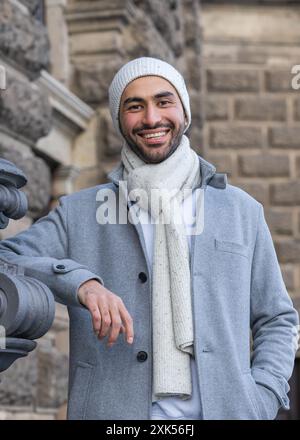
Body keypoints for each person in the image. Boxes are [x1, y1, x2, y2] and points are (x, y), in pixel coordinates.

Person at [0, 57, 298, 420]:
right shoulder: (80, 211)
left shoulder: (240, 211)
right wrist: (82, 284)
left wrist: (264, 394)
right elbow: (8, 259)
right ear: (119, 120)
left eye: (163, 101)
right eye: (134, 106)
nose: (152, 119)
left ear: (184, 113)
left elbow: (278, 319)